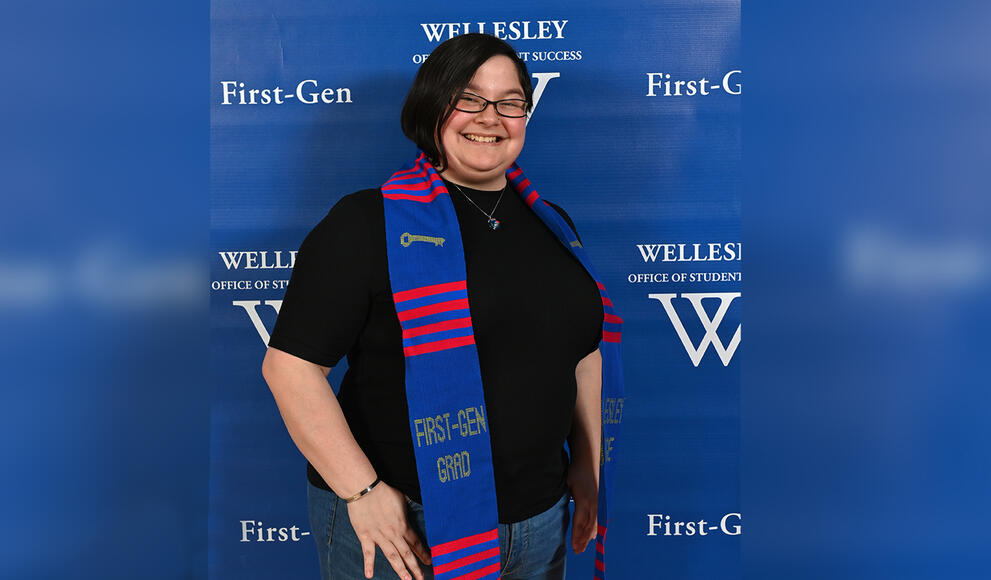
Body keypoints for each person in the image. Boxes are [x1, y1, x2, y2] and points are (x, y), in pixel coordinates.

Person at [262, 33, 623, 580]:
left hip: (540, 520)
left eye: (510, 102)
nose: (491, 117)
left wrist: (587, 469)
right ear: (433, 106)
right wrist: (362, 492)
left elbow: (582, 354)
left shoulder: (554, 225)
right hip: (408, 527)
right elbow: (290, 367)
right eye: (469, 98)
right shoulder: (367, 223)